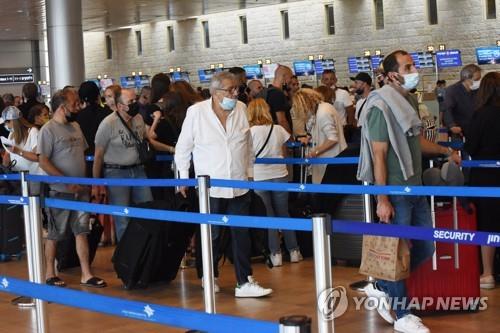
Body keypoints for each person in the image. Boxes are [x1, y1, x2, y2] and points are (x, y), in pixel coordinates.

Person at [357, 50, 461, 333]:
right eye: (408, 66)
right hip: (396, 191)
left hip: (415, 187)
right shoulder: (379, 107)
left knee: (425, 247)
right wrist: (382, 198)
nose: (414, 70)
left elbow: (416, 143)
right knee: (396, 252)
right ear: (392, 74)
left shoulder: (408, 101)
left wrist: (444, 150)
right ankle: (403, 314)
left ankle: (381, 285)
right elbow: (378, 155)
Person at [175, 71, 272, 298]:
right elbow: (183, 148)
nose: (235, 93)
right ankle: (209, 276)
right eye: (230, 90)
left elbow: (247, 145)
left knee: (241, 233)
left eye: (237, 88)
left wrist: (249, 172)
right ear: (214, 92)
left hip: (239, 183)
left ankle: (244, 281)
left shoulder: (241, 109)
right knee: (212, 233)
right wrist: (182, 179)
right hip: (210, 187)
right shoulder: (196, 113)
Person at [38, 88, 106, 288]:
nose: (78, 106)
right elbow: (43, 161)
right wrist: (66, 182)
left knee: (82, 231)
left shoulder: (76, 126)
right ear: (62, 107)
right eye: (74, 103)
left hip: (80, 191)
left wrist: (89, 184)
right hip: (59, 192)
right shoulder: (48, 130)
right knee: (55, 233)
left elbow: (82, 157)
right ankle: (50, 273)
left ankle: (86, 273)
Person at [92, 88, 154, 242]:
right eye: (131, 102)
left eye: (135, 100)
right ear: (120, 106)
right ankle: (125, 255)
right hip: (116, 173)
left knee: (148, 210)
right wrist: (96, 183)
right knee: (122, 217)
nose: (135, 104)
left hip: (138, 170)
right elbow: (98, 155)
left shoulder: (138, 118)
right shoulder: (108, 124)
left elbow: (149, 137)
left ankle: (145, 250)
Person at [247, 98, 302, 267]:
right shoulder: (278, 129)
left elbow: (247, 156)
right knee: (283, 212)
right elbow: (285, 153)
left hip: (259, 177)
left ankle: (275, 254)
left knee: (268, 216)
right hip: (280, 174)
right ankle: (294, 251)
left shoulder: (250, 132)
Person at [464, 71, 500, 290]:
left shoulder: (481, 115)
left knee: (487, 225)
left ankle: (488, 273)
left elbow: (471, 146)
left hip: (485, 177)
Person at [1, 106, 42, 179]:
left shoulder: (33, 132)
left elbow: (38, 157)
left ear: (14, 121)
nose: (6, 125)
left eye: (7, 122)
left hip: (34, 176)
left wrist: (19, 152)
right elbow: (7, 156)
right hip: (18, 176)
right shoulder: (11, 134)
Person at [443, 64, 482, 137]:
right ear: (466, 78)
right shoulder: (452, 90)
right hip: (459, 130)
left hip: (476, 128)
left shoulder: (477, 90)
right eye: (477, 79)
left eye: (480, 79)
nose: (479, 81)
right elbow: (447, 109)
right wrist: (451, 125)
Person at [259, 65, 294, 134]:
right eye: (290, 77)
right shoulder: (277, 94)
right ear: (284, 77)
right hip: (279, 135)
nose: (291, 81)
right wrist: (290, 138)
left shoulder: (267, 91)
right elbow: (282, 120)